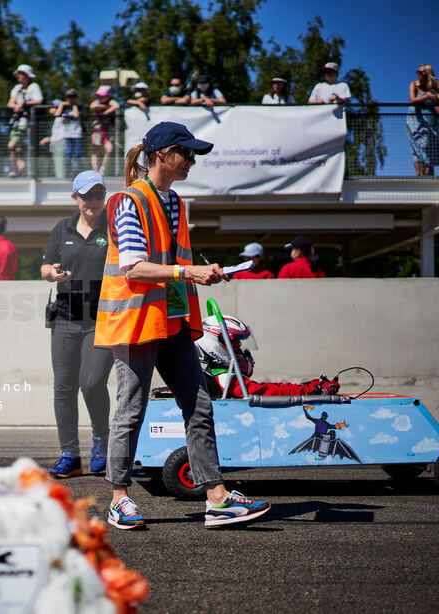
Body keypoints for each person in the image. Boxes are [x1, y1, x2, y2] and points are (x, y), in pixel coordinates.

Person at [94, 121, 270, 530]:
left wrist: (202, 270)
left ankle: (217, 497)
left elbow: (172, 261)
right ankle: (119, 497)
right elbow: (134, 268)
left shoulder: (173, 202)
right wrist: (189, 274)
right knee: (131, 409)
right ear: (161, 156)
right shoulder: (128, 201)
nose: (192, 160)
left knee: (199, 405)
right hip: (137, 320)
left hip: (171, 318)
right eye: (186, 153)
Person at [41, 171, 113, 478]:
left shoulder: (114, 228)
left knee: (92, 383)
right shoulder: (63, 228)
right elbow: (45, 265)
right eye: (87, 196)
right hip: (67, 317)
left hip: (102, 319)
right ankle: (70, 455)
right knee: (64, 387)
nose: (93, 202)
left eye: (98, 195)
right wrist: (50, 273)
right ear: (75, 198)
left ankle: (101, 440)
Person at [195, 314, 340, 399]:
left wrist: (307, 387)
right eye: (236, 345)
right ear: (216, 344)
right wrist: (310, 391)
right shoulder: (226, 379)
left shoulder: (220, 376)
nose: (240, 350)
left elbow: (265, 388)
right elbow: (267, 392)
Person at [6, 64, 44, 178]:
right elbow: (10, 103)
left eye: (21, 74)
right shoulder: (17, 88)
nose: (19, 76)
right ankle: (18, 172)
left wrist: (24, 104)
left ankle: (18, 171)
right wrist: (16, 106)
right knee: (18, 150)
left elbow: (39, 100)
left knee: (11, 145)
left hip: (25, 122)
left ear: (27, 75)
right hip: (16, 122)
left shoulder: (33, 87)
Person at [406, 64, 439, 176]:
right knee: (417, 148)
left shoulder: (435, 85)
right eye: (417, 72)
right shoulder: (414, 85)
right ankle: (419, 175)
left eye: (421, 72)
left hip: (430, 120)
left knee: (428, 146)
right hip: (415, 119)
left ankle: (428, 174)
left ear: (427, 74)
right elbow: (412, 100)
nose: (418, 74)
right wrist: (427, 96)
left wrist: (435, 97)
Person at [90, 85, 120, 175]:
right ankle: (95, 171)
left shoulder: (111, 102)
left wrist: (106, 111)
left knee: (109, 149)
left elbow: (116, 106)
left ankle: (102, 168)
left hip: (107, 129)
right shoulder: (97, 102)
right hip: (98, 128)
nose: (100, 97)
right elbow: (92, 106)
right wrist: (103, 106)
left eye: (102, 96)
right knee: (96, 151)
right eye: (99, 96)